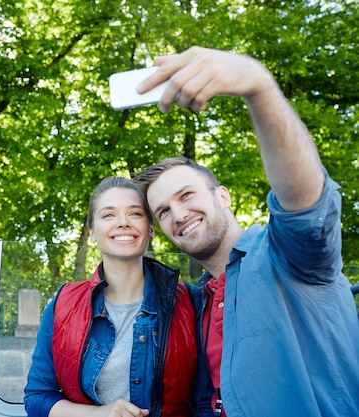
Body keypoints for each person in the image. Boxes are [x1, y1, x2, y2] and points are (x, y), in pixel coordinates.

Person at [134, 46, 359, 417]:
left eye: (186, 194)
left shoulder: (287, 256)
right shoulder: (197, 303)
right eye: (163, 211)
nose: (178, 214)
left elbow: (305, 204)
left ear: (222, 195)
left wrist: (260, 88)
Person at [24, 176, 214, 417]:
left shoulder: (192, 302)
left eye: (135, 214)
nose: (123, 223)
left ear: (151, 228)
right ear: (92, 232)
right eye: (108, 215)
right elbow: (37, 398)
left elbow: (206, 403)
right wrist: (98, 414)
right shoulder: (62, 303)